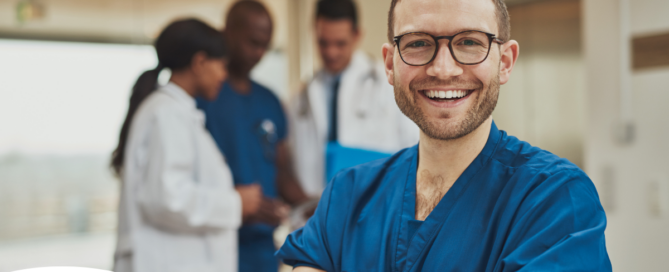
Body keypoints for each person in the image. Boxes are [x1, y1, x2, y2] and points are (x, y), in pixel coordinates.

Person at [276, 0, 613, 271]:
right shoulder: (349, 194)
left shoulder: (555, 200)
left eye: (469, 42)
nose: (443, 69)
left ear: (505, 61)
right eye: (419, 43)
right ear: (390, 64)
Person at [110, 18, 262, 272]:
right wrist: (235, 202)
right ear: (200, 62)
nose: (224, 75)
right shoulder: (167, 113)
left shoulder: (175, 112)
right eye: (221, 65)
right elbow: (167, 198)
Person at [196, 1, 310, 271]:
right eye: (252, 42)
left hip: (262, 250)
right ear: (228, 32)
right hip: (213, 243)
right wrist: (235, 203)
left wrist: (314, 205)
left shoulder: (269, 102)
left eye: (265, 46)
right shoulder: (204, 98)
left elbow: (281, 172)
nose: (259, 53)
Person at [288, 0, 419, 198]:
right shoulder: (300, 97)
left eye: (340, 43)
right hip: (318, 212)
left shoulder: (387, 84)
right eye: (323, 43)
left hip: (378, 205)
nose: (331, 52)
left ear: (357, 35)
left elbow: (415, 149)